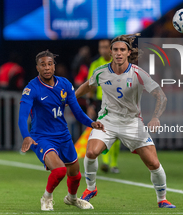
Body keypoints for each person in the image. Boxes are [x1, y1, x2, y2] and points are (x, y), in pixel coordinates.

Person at [75, 34, 176, 208]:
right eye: (115, 50)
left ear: (129, 52)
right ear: (110, 52)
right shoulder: (101, 71)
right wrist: (70, 98)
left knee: (153, 163)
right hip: (107, 120)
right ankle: (91, 188)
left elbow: (161, 96)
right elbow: (88, 85)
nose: (119, 53)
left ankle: (162, 199)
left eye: (122, 50)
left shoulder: (138, 73)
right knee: (91, 152)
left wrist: (155, 117)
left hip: (132, 123)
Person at [18, 50, 104, 211]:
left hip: (63, 136)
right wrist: (26, 136)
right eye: (43, 64)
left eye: (50, 64)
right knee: (59, 171)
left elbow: (77, 111)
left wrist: (91, 123)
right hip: (42, 137)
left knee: (76, 174)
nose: (47, 68)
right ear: (37, 67)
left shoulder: (64, 84)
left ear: (54, 66)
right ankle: (46, 197)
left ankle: (72, 199)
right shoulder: (32, 88)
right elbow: (22, 117)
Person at [87, 39, 121, 173]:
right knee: (104, 132)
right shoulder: (95, 64)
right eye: (101, 47)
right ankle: (106, 162)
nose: (104, 50)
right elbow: (90, 86)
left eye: (106, 47)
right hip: (102, 103)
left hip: (118, 102)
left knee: (117, 134)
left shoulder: (118, 63)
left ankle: (114, 164)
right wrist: (90, 105)